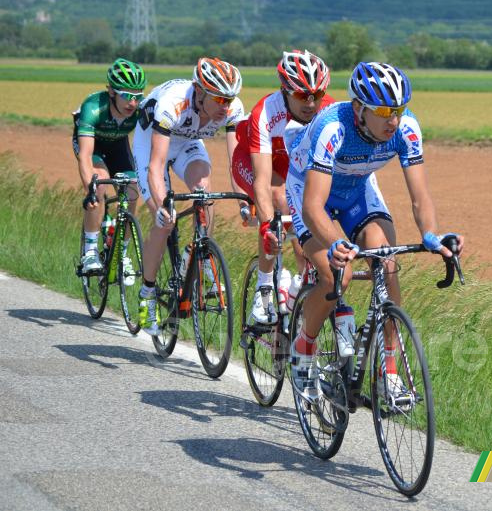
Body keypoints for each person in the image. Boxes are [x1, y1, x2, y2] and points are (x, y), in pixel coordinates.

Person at [285, 61, 464, 399]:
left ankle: (389, 372)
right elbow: (312, 206)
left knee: (387, 262)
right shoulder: (332, 127)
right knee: (335, 274)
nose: (393, 119)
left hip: (357, 190)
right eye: (383, 111)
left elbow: (419, 195)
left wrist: (431, 235)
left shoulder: (407, 129)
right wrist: (336, 242)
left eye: (398, 109)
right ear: (358, 109)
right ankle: (303, 348)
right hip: (309, 192)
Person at [133, 57, 246, 335]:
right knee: (165, 222)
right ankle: (147, 294)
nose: (226, 106)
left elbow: (237, 163)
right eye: (219, 99)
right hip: (153, 142)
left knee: (204, 192)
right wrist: (162, 206)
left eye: (229, 99)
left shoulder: (233, 110)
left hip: (188, 142)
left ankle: (197, 254)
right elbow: (156, 166)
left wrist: (245, 200)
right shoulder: (173, 103)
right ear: (200, 91)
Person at [230, 50, 335, 333]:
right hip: (254, 164)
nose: (311, 103)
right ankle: (264, 287)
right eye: (302, 95)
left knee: (309, 226)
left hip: (292, 164)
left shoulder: (329, 111)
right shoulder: (266, 112)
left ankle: (300, 288)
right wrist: (266, 227)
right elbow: (263, 181)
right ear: (285, 91)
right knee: (281, 202)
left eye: (318, 93)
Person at [74, 58, 147, 283]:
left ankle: (121, 254)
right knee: (100, 184)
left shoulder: (139, 111)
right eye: (126, 95)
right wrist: (90, 189)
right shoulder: (93, 107)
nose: (132, 102)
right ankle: (90, 252)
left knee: (134, 190)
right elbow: (85, 155)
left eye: (138, 96)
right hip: (92, 146)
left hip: (117, 145)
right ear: (111, 92)